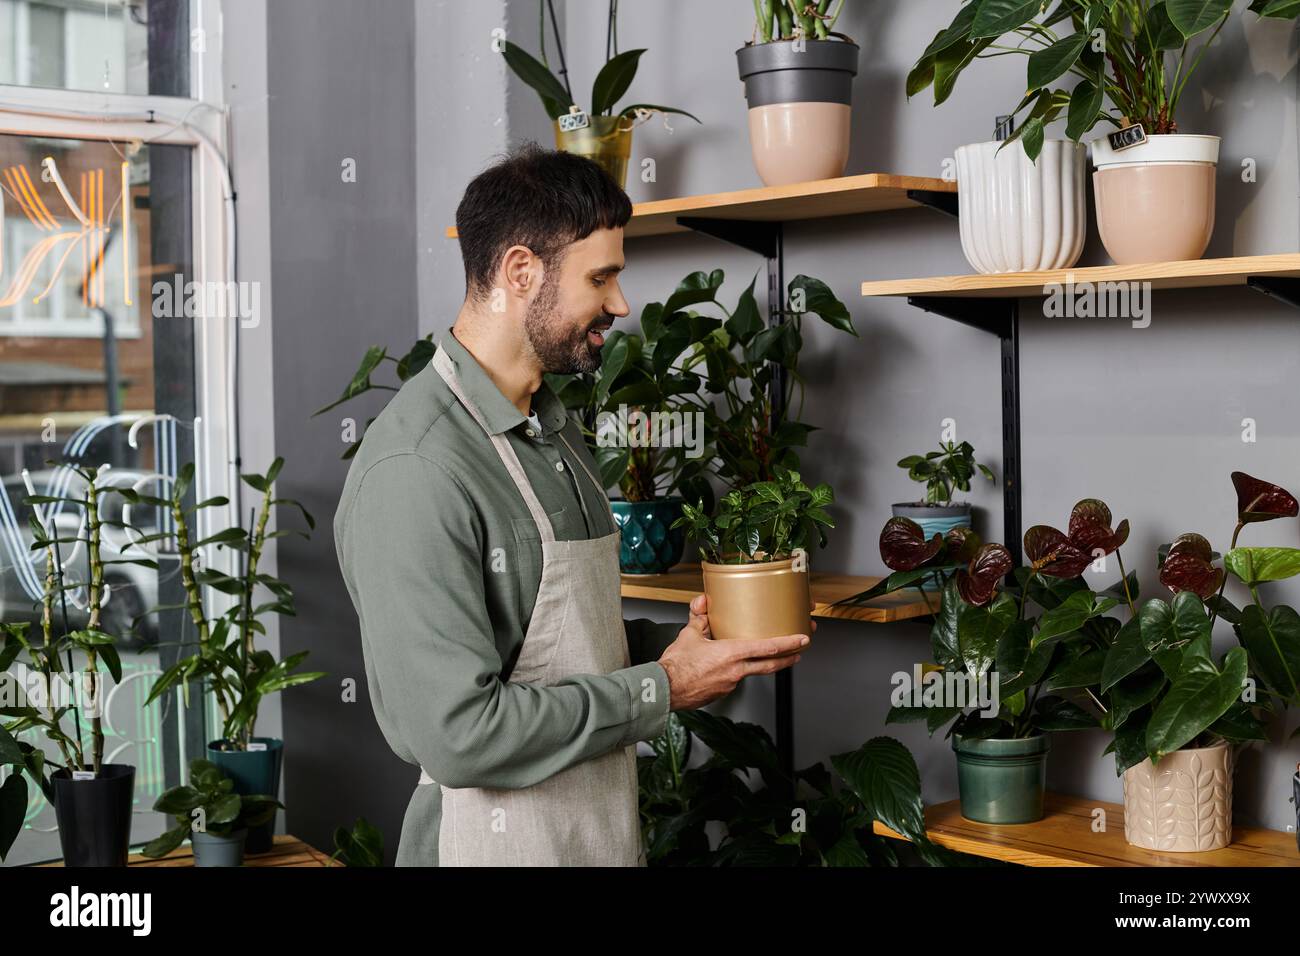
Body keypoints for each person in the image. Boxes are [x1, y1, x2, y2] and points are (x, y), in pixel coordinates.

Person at [333, 143, 810, 867]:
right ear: (521, 272)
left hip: (593, 837)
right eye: (602, 277)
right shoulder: (416, 467)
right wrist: (663, 687)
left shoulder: (552, 429)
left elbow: (550, 643)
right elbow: (459, 734)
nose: (620, 303)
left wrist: (692, 651)